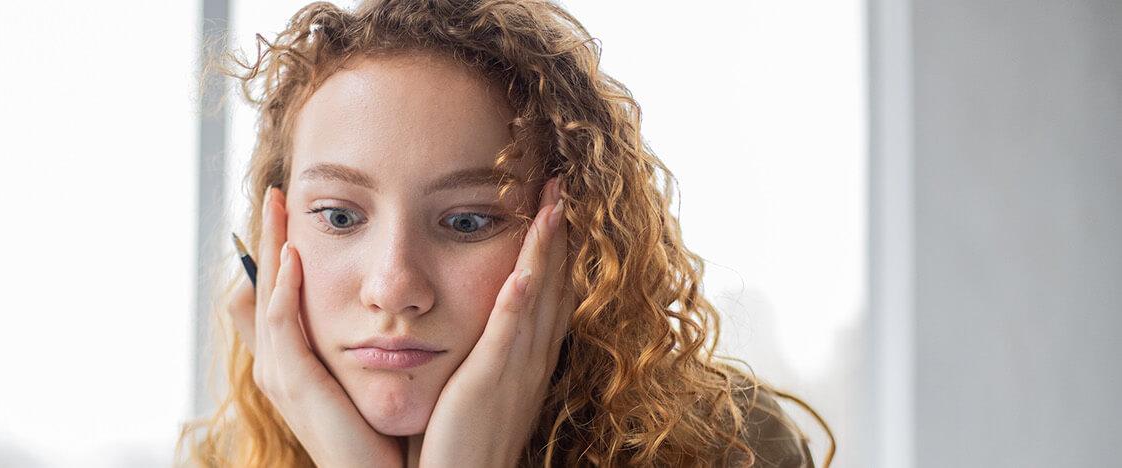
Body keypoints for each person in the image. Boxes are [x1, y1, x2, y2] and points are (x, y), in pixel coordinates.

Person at [179, 0, 835, 466]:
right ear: (274, 237)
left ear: (573, 242)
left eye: (466, 221)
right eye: (341, 217)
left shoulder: (728, 447)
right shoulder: (226, 461)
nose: (394, 287)